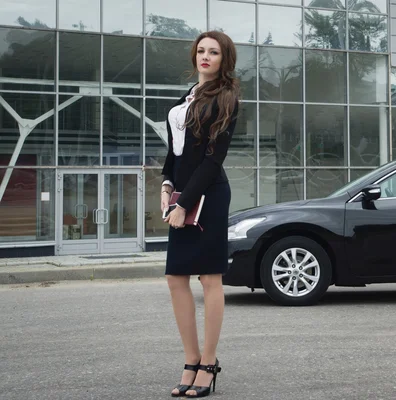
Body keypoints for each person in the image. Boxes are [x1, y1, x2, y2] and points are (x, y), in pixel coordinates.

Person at [160, 30, 240, 398]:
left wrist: (183, 204)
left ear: (225, 59)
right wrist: (165, 185)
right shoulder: (187, 96)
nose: (206, 56)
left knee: (209, 279)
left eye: (214, 52)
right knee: (176, 278)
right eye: (201, 50)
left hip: (209, 194)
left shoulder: (226, 98)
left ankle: (208, 364)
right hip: (181, 193)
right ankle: (190, 360)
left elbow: (212, 160)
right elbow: (176, 152)